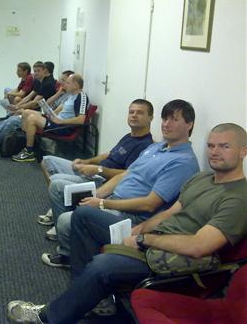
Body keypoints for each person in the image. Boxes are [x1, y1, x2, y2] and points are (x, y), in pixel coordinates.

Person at [7, 123, 247, 324]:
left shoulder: (238, 198)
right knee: (83, 215)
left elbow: (198, 246)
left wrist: (144, 239)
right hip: (154, 240)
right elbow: (169, 213)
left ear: (243, 151)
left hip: (176, 261)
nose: (215, 152)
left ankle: (49, 317)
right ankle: (90, 297)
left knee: (102, 266)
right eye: (211, 146)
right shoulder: (203, 178)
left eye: (224, 146)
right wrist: (139, 229)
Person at [42, 100, 200, 270]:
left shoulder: (183, 162)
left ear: (189, 124)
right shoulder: (156, 148)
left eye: (174, 120)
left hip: (132, 216)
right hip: (113, 198)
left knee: (66, 220)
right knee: (57, 188)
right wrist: (98, 195)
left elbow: (149, 204)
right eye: (165, 119)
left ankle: (70, 255)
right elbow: (126, 174)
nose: (166, 124)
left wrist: (103, 203)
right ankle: (71, 246)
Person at [37, 99, 154, 239]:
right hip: (94, 172)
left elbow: (127, 174)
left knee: (56, 181)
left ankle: (62, 226)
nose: (134, 115)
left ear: (150, 118)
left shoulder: (146, 146)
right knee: (47, 161)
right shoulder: (129, 136)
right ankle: (60, 208)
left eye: (140, 113)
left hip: (103, 182)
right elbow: (109, 154)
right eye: (131, 112)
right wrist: (86, 161)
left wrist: (98, 170)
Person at [0, 62, 57, 145]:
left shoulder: (47, 83)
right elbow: (29, 97)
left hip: (39, 112)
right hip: (38, 112)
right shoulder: (39, 82)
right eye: (35, 71)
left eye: (38, 71)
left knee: (13, 120)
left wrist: (18, 107)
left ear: (45, 71)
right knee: (11, 119)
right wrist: (17, 106)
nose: (36, 73)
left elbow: (34, 103)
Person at [11, 73, 89, 163]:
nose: (65, 85)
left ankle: (29, 152)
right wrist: (50, 113)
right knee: (26, 112)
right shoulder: (71, 95)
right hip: (56, 120)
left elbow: (81, 120)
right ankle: (28, 143)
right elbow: (61, 109)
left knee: (32, 119)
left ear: (75, 85)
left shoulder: (81, 97)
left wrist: (60, 121)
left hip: (63, 127)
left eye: (68, 83)